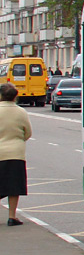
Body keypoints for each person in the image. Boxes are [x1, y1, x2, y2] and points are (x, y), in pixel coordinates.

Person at [0, 82, 32, 226]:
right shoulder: (21, 112)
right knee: (13, 186)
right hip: (16, 153)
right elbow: (28, 133)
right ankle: (12, 216)